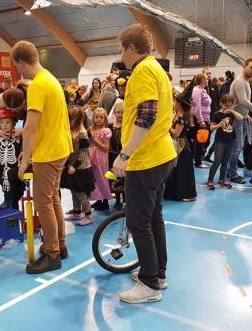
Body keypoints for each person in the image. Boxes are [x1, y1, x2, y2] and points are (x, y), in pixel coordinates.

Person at [112, 24, 176, 304]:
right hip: (161, 155)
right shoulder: (156, 68)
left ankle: (150, 284)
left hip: (146, 160)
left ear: (131, 48)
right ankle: (157, 274)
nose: (121, 56)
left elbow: (146, 117)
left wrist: (124, 155)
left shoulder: (142, 71)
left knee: (139, 222)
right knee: (153, 218)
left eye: (121, 50)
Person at [12, 40, 73, 274]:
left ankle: (52, 254)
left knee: (43, 203)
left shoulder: (37, 85)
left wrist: (25, 159)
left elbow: (31, 127)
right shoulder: (51, 79)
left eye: (17, 67)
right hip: (60, 147)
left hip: (48, 152)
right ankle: (60, 245)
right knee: (53, 199)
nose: (19, 72)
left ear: (21, 62)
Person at [227, 58, 252, 184]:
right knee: (237, 148)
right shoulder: (239, 82)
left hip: (241, 118)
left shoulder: (246, 82)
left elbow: (241, 103)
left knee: (237, 147)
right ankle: (232, 173)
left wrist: (246, 114)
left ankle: (229, 171)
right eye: (251, 67)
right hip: (236, 119)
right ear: (244, 66)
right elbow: (243, 101)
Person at [61, 106, 95, 225]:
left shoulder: (82, 133)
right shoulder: (72, 131)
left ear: (78, 119)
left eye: (71, 119)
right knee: (73, 189)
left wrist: (74, 166)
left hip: (81, 168)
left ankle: (88, 215)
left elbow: (83, 153)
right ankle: (77, 211)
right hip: (71, 166)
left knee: (81, 192)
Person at [164, 90, 196, 201]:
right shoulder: (179, 116)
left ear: (179, 103)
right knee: (175, 169)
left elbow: (176, 133)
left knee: (181, 170)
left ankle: (184, 194)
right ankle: (173, 192)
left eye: (175, 101)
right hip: (177, 144)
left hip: (180, 145)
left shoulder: (182, 118)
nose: (174, 103)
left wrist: (166, 125)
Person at [206, 95, 243, 190]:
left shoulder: (232, 113)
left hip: (230, 140)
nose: (228, 107)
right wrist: (219, 125)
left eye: (230, 105)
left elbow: (241, 117)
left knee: (225, 162)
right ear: (221, 104)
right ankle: (210, 181)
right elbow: (211, 127)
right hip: (220, 141)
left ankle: (221, 180)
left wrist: (232, 111)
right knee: (217, 161)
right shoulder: (216, 114)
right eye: (226, 105)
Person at [89, 108, 112, 211]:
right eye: (96, 117)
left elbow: (106, 148)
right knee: (94, 179)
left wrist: (94, 141)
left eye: (101, 117)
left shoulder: (105, 131)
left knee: (102, 178)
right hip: (91, 157)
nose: (98, 119)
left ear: (105, 119)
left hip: (101, 158)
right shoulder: (91, 130)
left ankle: (105, 201)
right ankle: (98, 200)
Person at [191, 73, 212, 168]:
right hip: (200, 120)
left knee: (203, 141)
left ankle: (198, 160)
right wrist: (201, 120)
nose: (208, 80)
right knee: (199, 141)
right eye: (206, 79)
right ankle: (198, 162)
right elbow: (196, 106)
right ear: (201, 80)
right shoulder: (197, 90)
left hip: (206, 119)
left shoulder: (203, 90)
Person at [108, 102, 124, 210]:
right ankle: (117, 199)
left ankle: (126, 200)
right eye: (118, 112)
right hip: (112, 155)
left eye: (122, 113)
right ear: (114, 113)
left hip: (123, 155)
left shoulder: (126, 126)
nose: (120, 115)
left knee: (123, 178)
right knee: (114, 178)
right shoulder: (110, 126)